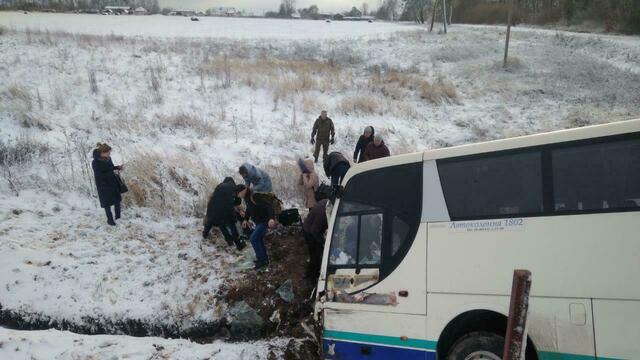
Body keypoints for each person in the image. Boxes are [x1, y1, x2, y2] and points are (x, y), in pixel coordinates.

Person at [236, 185, 277, 270]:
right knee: (258, 239)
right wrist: (245, 219)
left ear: (243, 190)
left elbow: (269, 206)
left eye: (238, 193)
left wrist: (271, 218)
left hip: (265, 221)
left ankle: (262, 260)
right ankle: (264, 259)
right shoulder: (247, 199)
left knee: (253, 238)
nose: (238, 196)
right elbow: (249, 210)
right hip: (259, 223)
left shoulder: (254, 196)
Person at [203, 177, 246, 251]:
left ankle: (227, 240)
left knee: (219, 223)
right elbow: (235, 202)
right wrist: (235, 214)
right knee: (232, 225)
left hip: (213, 208)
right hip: (224, 209)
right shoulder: (233, 188)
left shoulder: (220, 186)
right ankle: (239, 245)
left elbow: (212, 198)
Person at [91, 143, 123, 226]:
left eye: (110, 152)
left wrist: (117, 167)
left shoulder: (109, 158)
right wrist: (110, 173)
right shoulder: (95, 162)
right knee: (107, 204)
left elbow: (111, 168)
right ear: (102, 152)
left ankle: (118, 217)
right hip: (103, 185)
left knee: (117, 200)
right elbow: (98, 175)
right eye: (108, 152)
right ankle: (110, 220)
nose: (109, 154)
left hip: (112, 182)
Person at [302, 198, 329, 281]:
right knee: (316, 255)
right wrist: (324, 243)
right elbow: (314, 231)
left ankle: (309, 274)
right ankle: (312, 278)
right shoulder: (323, 213)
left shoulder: (326, 202)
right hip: (309, 232)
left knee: (317, 254)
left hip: (312, 228)